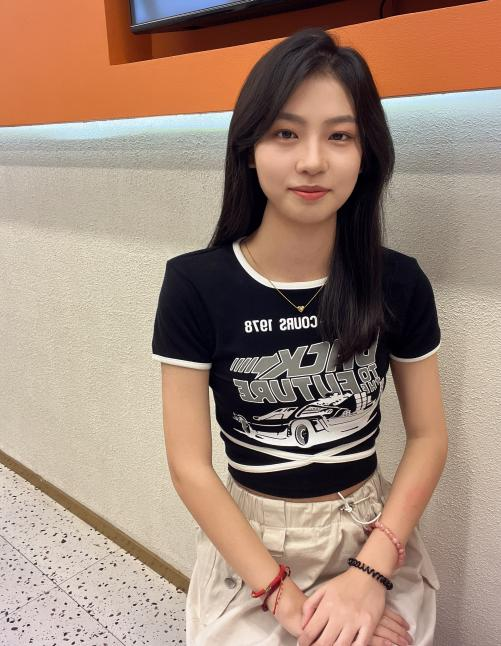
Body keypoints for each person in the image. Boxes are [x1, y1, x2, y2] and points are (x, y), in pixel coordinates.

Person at [152, 26, 448, 646]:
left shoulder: (399, 282)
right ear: (249, 147)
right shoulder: (194, 285)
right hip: (253, 549)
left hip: (374, 535)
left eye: (339, 135)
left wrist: (370, 573)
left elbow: (428, 437)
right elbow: (189, 468)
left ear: (366, 153)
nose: (312, 160)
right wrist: (284, 600)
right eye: (286, 133)